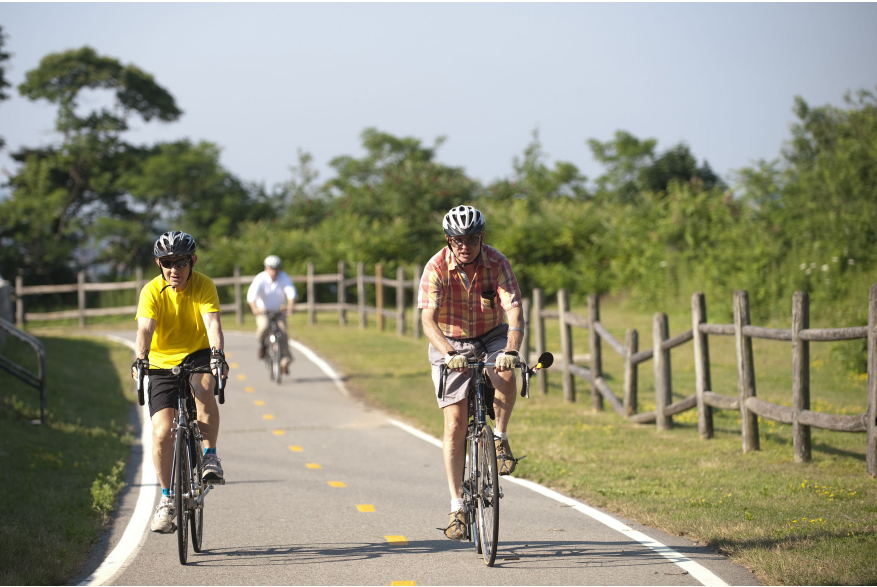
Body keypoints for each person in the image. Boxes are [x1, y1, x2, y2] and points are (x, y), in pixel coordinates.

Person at [418, 205, 525, 540]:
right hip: (450, 341)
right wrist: (449, 354)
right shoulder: (436, 267)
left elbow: (514, 311)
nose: (465, 246)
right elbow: (427, 320)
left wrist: (510, 351)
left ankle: (500, 438)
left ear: (482, 237)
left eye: (472, 239)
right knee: (455, 423)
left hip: (492, 334)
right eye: (458, 240)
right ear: (448, 240)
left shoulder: (497, 262)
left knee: (505, 374)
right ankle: (457, 508)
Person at [132, 231, 228, 534]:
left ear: (193, 261)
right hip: (161, 363)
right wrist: (141, 358)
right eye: (167, 263)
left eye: (181, 262)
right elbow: (145, 329)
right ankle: (167, 498)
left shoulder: (204, 285)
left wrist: (217, 355)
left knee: (203, 387)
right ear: (159, 264)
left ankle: (210, 457)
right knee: (162, 432)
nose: (175, 269)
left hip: (198, 354)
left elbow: (212, 323)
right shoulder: (151, 291)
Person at [247, 255, 296, 374]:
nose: (273, 272)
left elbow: (291, 293)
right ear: (266, 268)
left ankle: (285, 361)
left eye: (275, 269)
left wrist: (290, 306)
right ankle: (262, 345)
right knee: (263, 328)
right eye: (271, 269)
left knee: (283, 333)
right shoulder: (260, 278)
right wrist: (255, 308)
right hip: (263, 311)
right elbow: (251, 296)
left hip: (279, 311)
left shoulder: (283, 277)